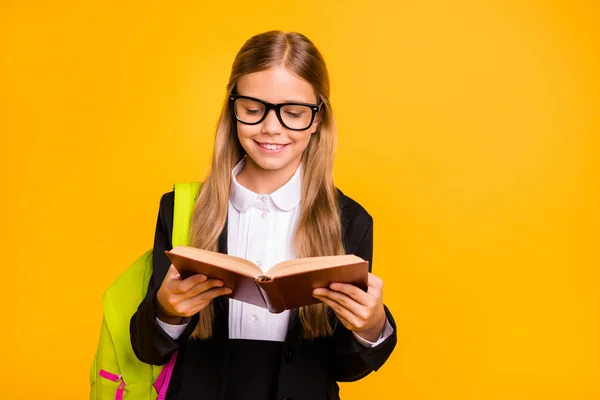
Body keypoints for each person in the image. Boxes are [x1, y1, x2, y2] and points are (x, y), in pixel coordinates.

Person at [130, 30, 397, 400]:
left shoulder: (349, 220)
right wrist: (167, 311)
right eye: (254, 109)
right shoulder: (180, 209)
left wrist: (371, 327)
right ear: (233, 108)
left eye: (293, 113)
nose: (272, 128)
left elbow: (344, 368)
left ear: (318, 119)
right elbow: (147, 349)